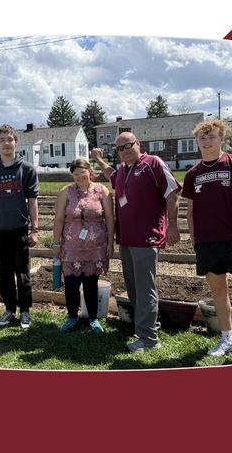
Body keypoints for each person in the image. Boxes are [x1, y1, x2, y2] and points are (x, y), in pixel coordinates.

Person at [89, 133, 180, 352]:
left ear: (138, 144)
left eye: (129, 145)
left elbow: (172, 192)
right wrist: (100, 161)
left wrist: (174, 225)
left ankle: (149, 339)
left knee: (145, 287)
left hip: (147, 237)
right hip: (127, 238)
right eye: (120, 148)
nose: (125, 150)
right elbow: (112, 175)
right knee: (133, 288)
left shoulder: (153, 163)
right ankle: (144, 329)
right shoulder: (122, 170)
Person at [182, 119, 232, 360]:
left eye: (212, 137)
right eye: (202, 138)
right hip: (207, 243)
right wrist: (196, 240)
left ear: (221, 139)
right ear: (197, 142)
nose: (207, 142)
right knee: (218, 293)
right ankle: (228, 339)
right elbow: (190, 210)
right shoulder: (192, 173)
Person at [0, 125, 39, 330]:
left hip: (20, 230)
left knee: (22, 273)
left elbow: (32, 201)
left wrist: (35, 229)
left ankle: (25, 312)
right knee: (3, 273)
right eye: (2, 140)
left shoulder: (27, 169)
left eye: (10, 139)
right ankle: (9, 310)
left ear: (16, 142)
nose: (7, 143)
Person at [52, 159, 114, 333]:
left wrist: (110, 243)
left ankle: (93, 319)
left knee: (91, 284)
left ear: (90, 171)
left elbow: (109, 218)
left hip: (96, 248)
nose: (79, 177)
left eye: (82, 172)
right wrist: (56, 243)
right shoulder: (66, 192)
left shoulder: (102, 191)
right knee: (71, 284)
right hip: (71, 247)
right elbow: (58, 219)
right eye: (75, 174)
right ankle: (72, 317)